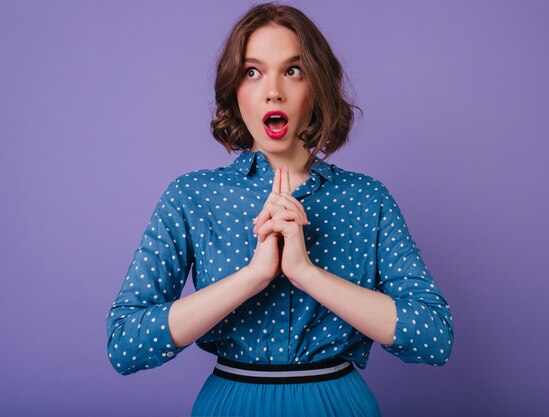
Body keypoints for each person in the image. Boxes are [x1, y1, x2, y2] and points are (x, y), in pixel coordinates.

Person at [106, 3, 454, 416]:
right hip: (231, 405)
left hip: (339, 405)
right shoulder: (191, 197)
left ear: (318, 86)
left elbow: (434, 338)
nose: (273, 90)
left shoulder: (368, 199)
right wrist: (254, 276)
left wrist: (306, 273)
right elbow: (126, 344)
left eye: (293, 70)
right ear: (235, 91)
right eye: (252, 72)